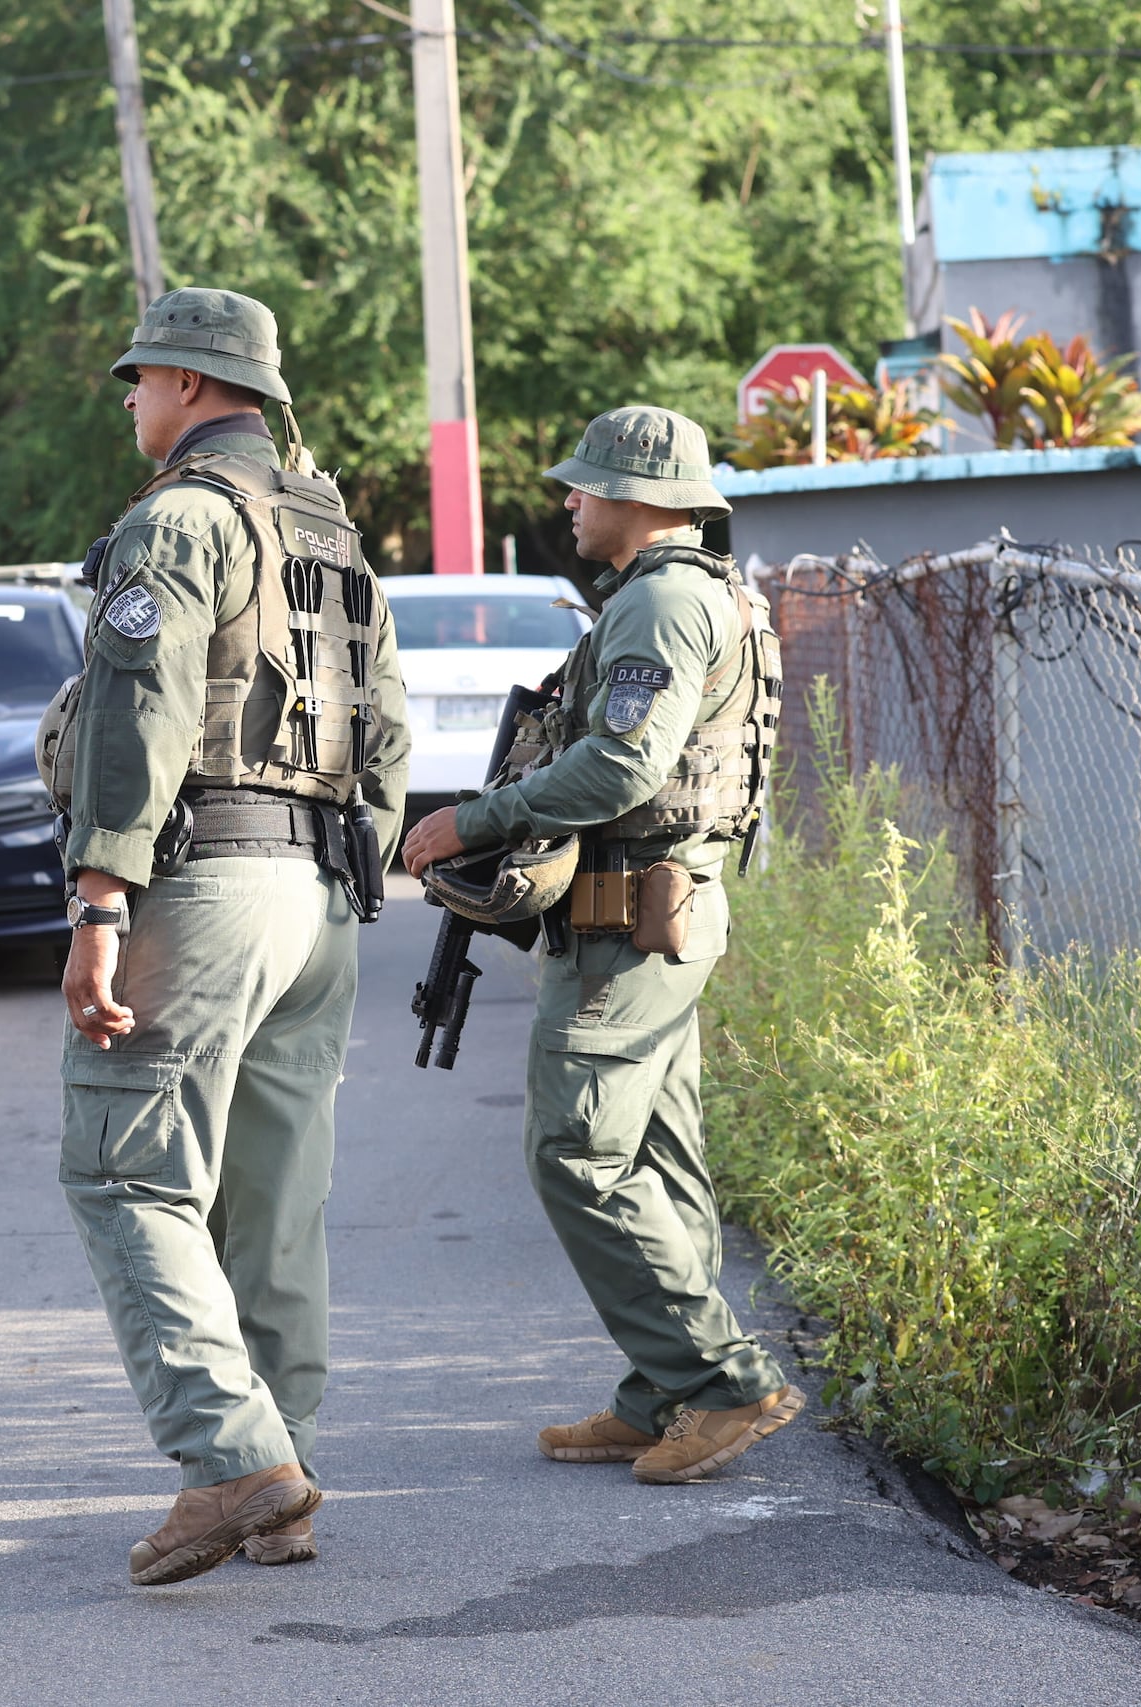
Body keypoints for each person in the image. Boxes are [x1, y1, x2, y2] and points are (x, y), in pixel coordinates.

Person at [40, 287, 410, 1585]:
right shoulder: (331, 529)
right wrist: (348, 858)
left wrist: (100, 898)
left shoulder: (183, 519)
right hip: (320, 893)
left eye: (141, 378)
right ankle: (284, 1477)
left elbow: (139, 710)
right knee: (272, 1198)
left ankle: (234, 1455)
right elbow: (393, 730)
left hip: (206, 884)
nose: (133, 399)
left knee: (125, 1168)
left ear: (193, 386)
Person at [400, 404, 804, 1485]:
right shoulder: (693, 594)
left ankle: (719, 1381)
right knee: (657, 1156)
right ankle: (662, 1388)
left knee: (575, 1151)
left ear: (640, 497)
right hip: (657, 911)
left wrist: (469, 821)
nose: (568, 502)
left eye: (583, 487)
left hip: (629, 920)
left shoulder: (663, 606)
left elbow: (621, 771)